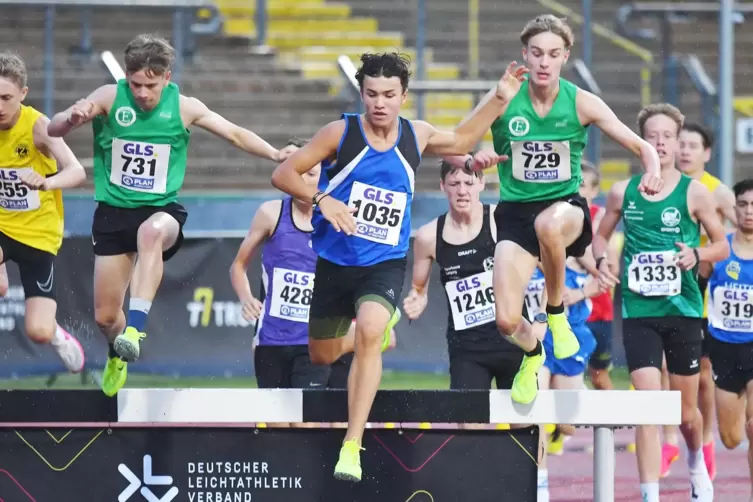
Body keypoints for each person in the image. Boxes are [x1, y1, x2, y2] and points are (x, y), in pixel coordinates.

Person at [271, 52, 517, 482]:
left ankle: (352, 444)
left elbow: (461, 140)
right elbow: (285, 174)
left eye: (388, 94)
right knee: (322, 355)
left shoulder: (414, 135)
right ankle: (377, 331)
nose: (379, 103)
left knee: (368, 329)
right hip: (333, 262)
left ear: (404, 96)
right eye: (370, 94)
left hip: (383, 262)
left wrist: (498, 98)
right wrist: (323, 199)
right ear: (361, 94)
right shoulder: (340, 133)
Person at [46, 34, 289, 397]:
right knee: (105, 318)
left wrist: (274, 154)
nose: (142, 93)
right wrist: (71, 117)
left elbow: (234, 133)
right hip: (113, 215)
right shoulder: (110, 97)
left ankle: (136, 329)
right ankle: (118, 351)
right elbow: (53, 129)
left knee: (151, 233)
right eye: (136, 84)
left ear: (167, 77)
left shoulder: (184, 106)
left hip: (162, 211)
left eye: (151, 85)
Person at [472, 14, 663, 406]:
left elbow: (640, 145)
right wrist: (479, 157)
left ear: (565, 57)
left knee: (549, 224)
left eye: (553, 54)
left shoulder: (580, 102)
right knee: (506, 320)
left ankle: (555, 314)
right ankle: (532, 352)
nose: (544, 62)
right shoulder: (505, 98)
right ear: (524, 55)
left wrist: (654, 169)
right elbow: (463, 141)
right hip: (515, 213)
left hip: (567, 210)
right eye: (537, 53)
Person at [593, 103, 729, 502]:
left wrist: (697, 255)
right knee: (647, 406)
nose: (660, 143)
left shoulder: (695, 193)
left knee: (685, 413)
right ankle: (650, 493)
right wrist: (603, 260)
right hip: (639, 312)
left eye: (667, 136)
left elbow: (721, 245)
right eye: (652, 136)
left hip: (683, 312)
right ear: (641, 143)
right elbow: (600, 237)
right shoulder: (623, 191)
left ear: (676, 140)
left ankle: (695, 462)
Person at [403, 155, 524, 392]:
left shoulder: (502, 222)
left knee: (524, 425)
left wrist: (541, 318)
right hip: (468, 350)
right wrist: (416, 300)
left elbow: (545, 268)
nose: (462, 191)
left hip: (514, 341)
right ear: (442, 186)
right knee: (468, 424)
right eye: (454, 184)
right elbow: (419, 289)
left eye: (469, 183)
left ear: (481, 184)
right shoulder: (428, 237)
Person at [0, 52, 87, 373]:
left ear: (22, 94)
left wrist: (45, 183)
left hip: (39, 235)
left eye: (6, 98)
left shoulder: (38, 127)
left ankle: (58, 335)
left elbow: (76, 172)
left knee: (37, 331)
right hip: (2, 226)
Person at [661, 121, 736, 479]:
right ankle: (667, 440)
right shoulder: (661, 183)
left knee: (702, 374)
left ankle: (704, 441)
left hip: (701, 289)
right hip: (663, 287)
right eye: (682, 144)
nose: (685, 151)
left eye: (693, 145)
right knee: (660, 367)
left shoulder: (717, 192)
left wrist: (706, 253)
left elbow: (742, 231)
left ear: (707, 153)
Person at [703, 178, 753, 500]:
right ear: (734, 209)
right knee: (732, 437)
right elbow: (695, 289)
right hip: (723, 346)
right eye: (744, 205)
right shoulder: (719, 248)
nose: (750, 212)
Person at [535, 257, 600, 501]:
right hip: (538, 339)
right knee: (535, 413)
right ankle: (540, 485)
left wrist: (580, 292)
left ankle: (570, 399)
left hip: (569, 338)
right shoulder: (524, 246)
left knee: (568, 425)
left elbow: (606, 277)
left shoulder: (581, 248)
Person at [578, 162, 618, 390]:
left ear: (594, 191)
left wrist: (582, 256)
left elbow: (612, 272)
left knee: (599, 376)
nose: (577, 190)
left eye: (582, 185)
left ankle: (613, 423)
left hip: (598, 313)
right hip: (567, 312)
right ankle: (558, 426)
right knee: (559, 376)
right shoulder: (556, 219)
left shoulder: (601, 221)